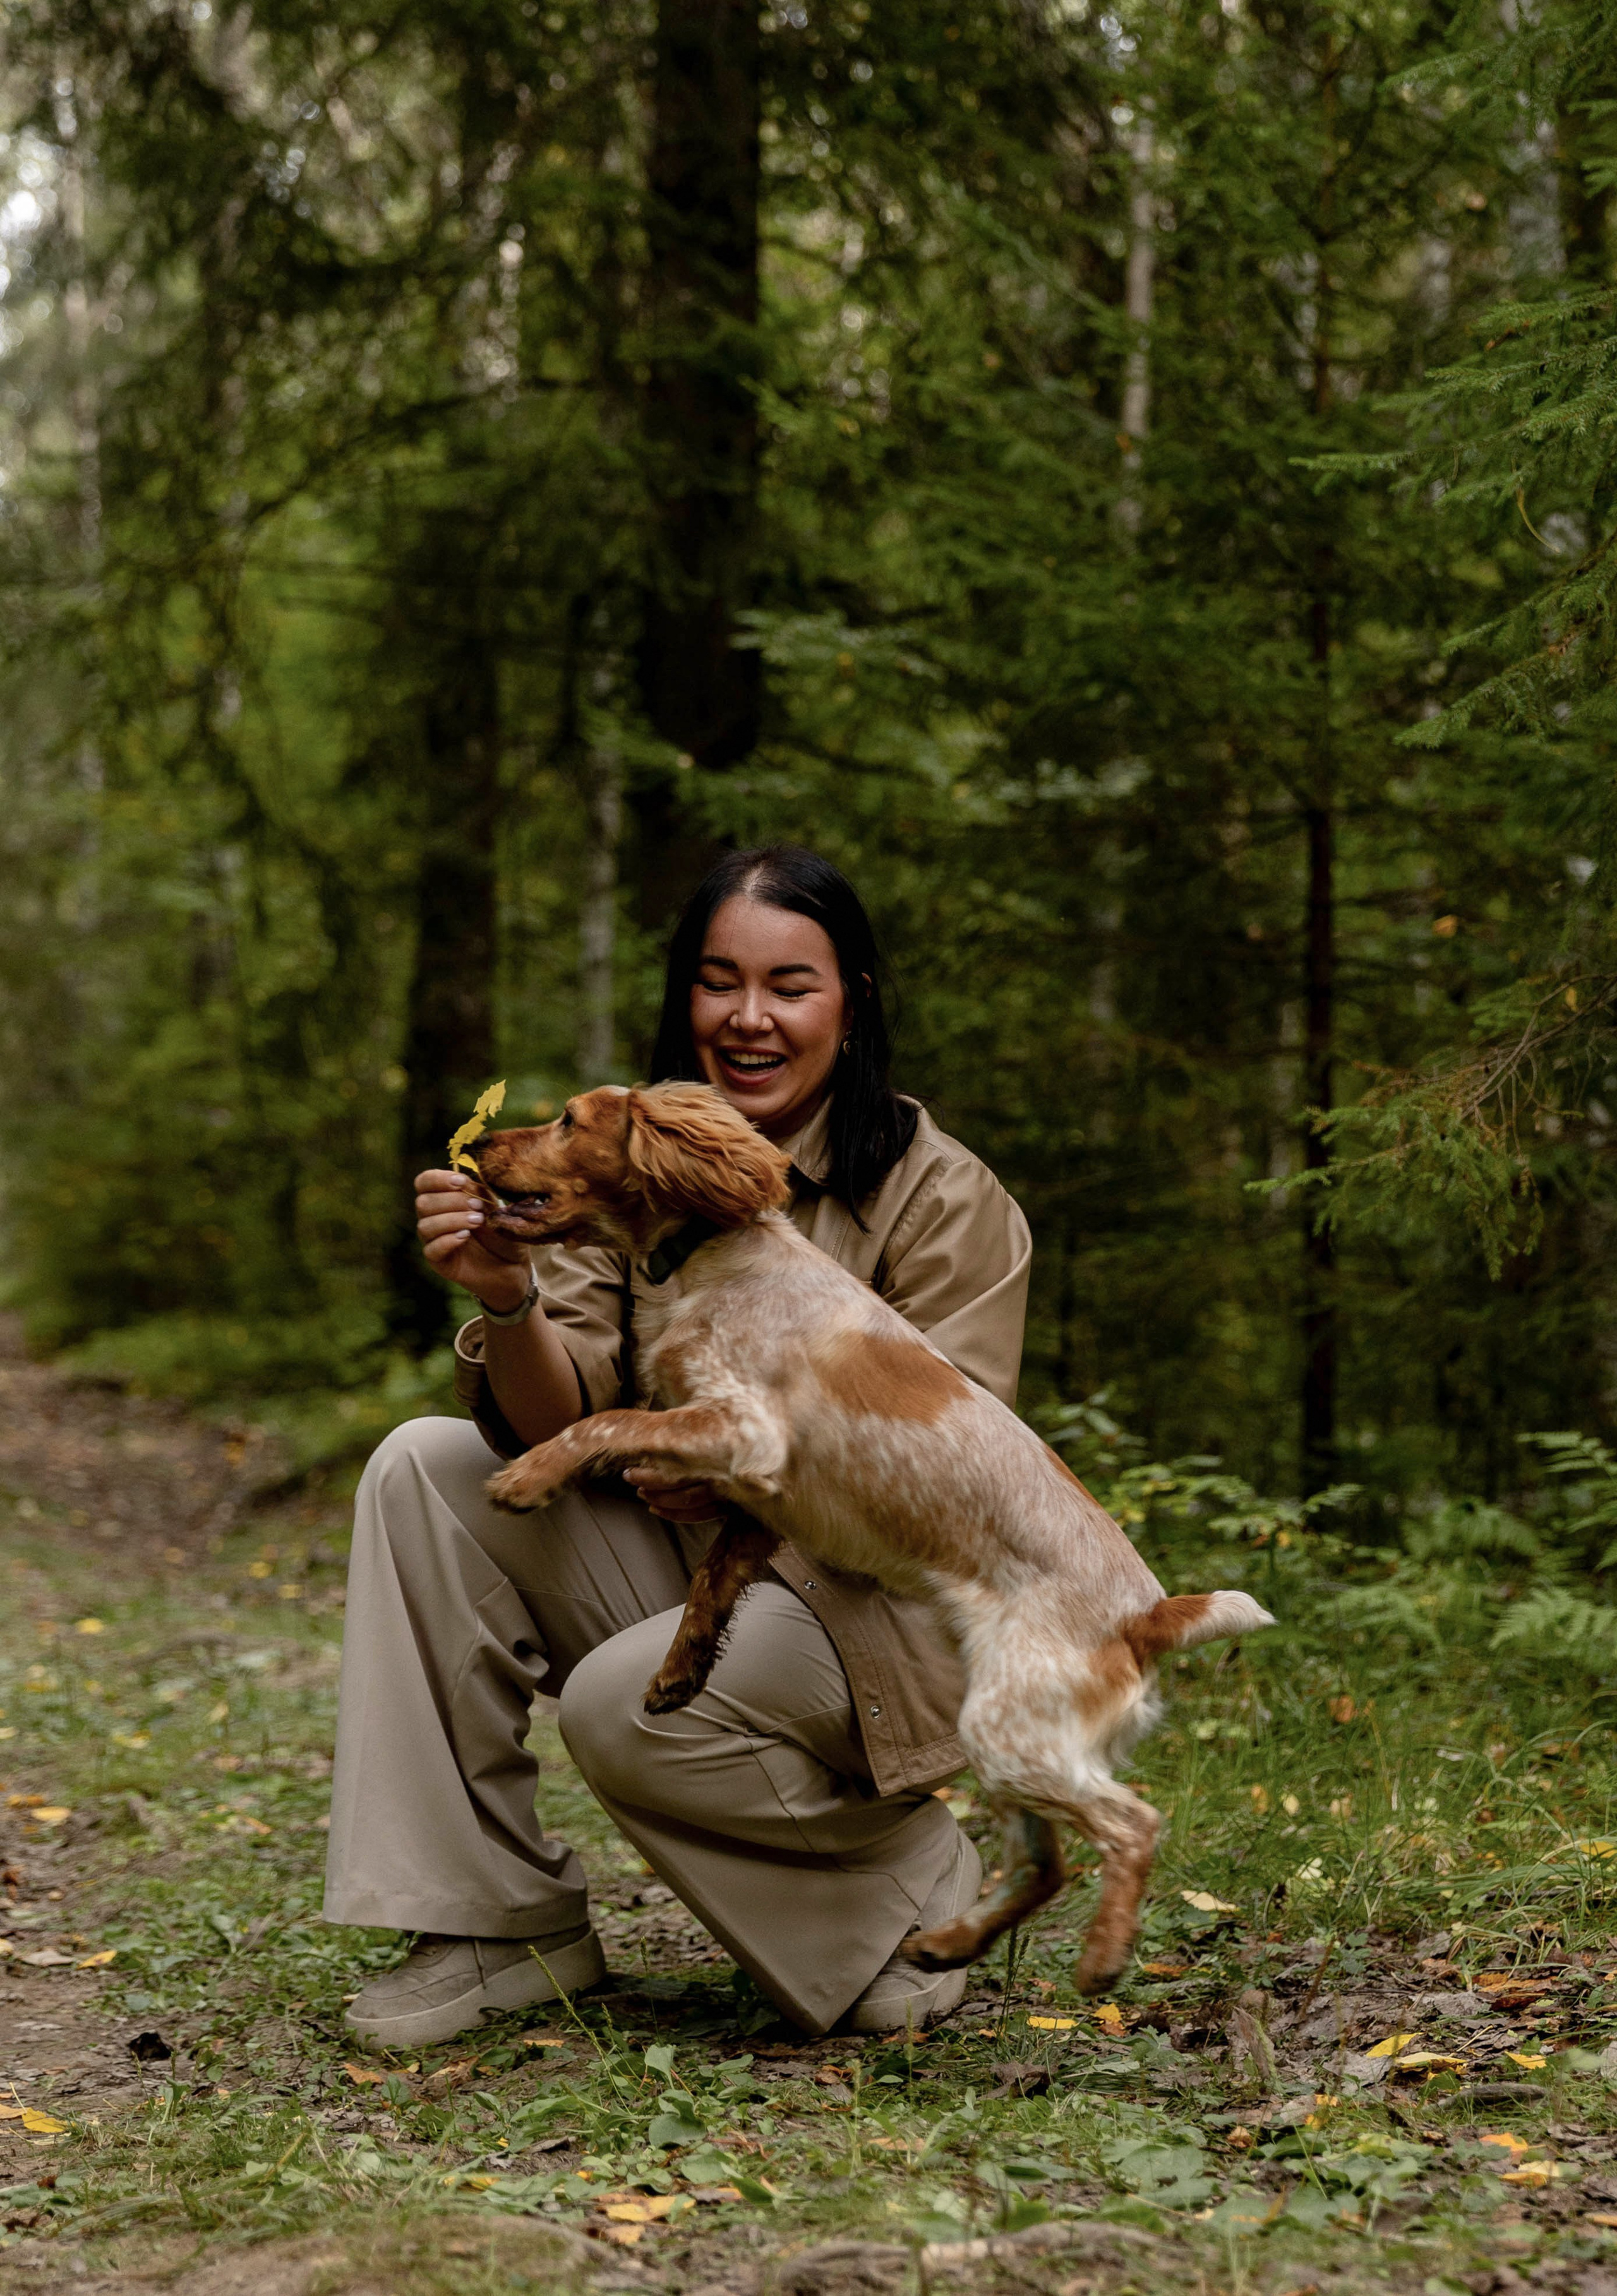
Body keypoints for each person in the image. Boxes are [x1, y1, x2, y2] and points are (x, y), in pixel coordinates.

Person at [325, 845, 1032, 2049]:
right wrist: (509, 1299)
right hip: (705, 1563)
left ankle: (906, 1883)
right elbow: (558, 1424)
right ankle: (496, 1925)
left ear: (851, 1000)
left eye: (790, 984)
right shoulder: (627, 1169)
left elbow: (948, 1484)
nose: (749, 1017)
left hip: (869, 1601)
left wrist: (735, 1456)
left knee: (623, 1706)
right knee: (421, 1469)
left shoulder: (940, 1197)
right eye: (719, 981)